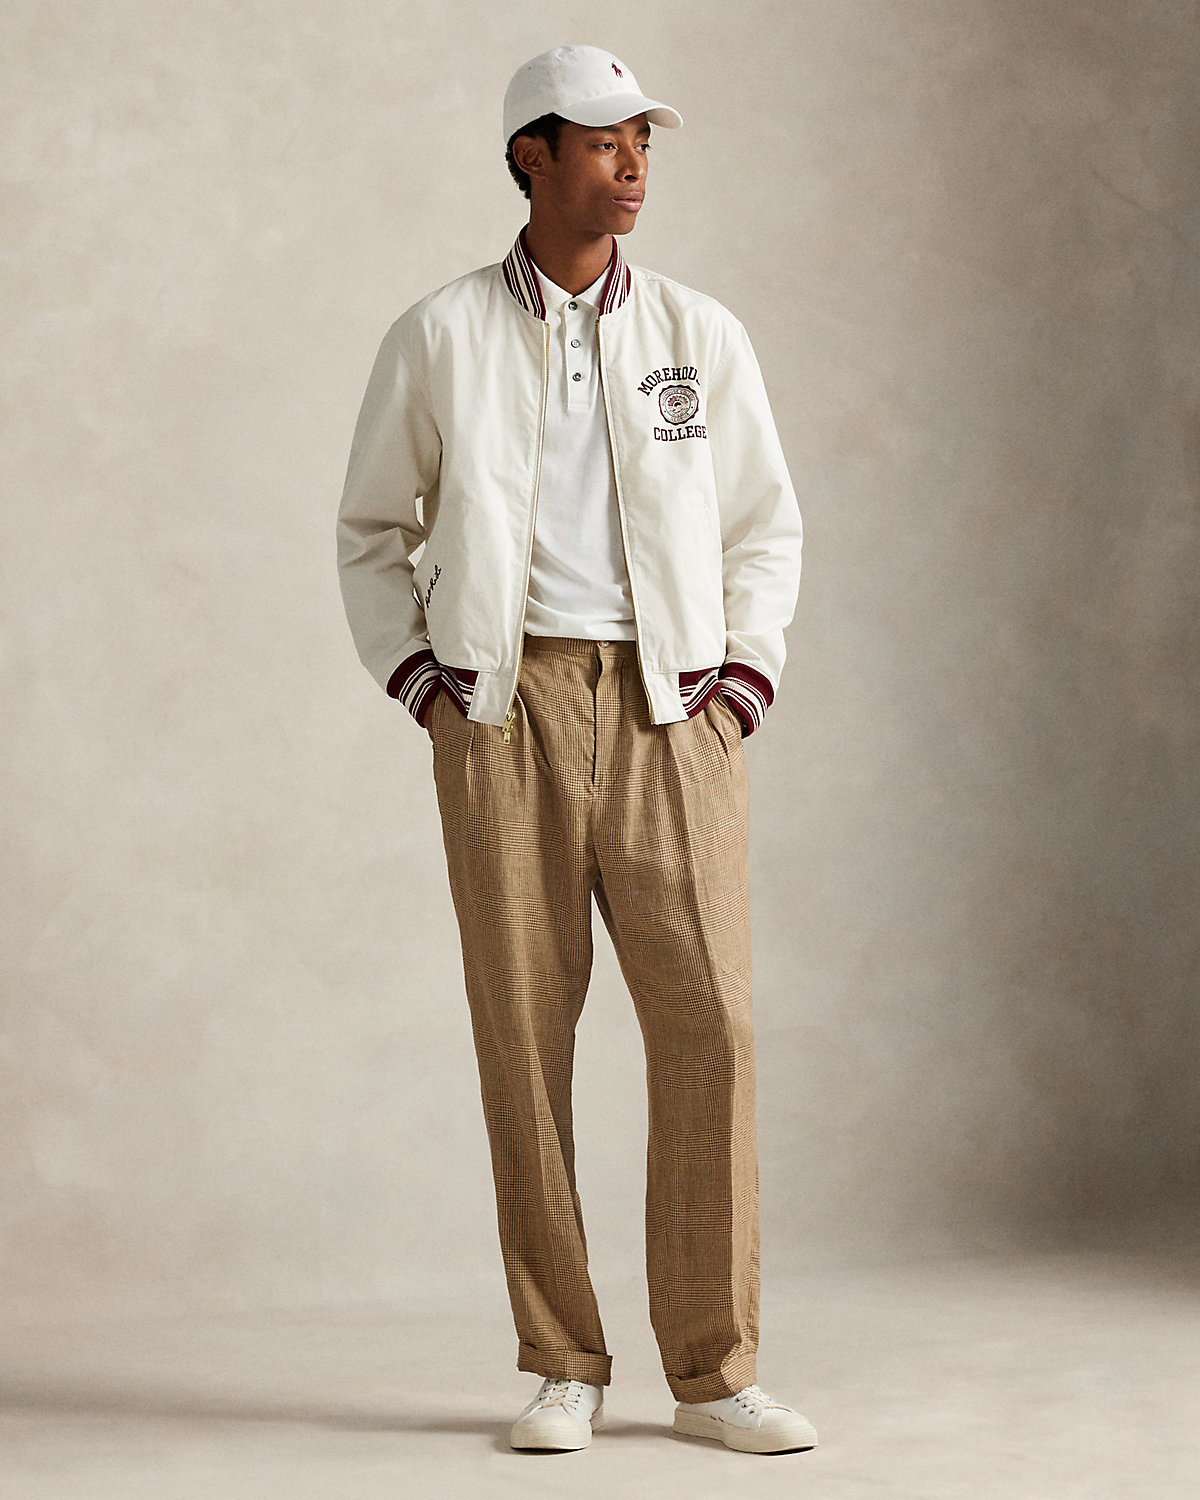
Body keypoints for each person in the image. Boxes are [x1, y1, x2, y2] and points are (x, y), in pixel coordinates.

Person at [336, 43, 815, 1457]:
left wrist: (740, 680)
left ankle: (713, 1372)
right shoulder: (438, 335)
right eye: (606, 142)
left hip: (676, 712)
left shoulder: (696, 333)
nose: (634, 166)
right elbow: (370, 528)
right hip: (503, 714)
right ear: (531, 158)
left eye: (644, 142)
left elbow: (764, 523)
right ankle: (561, 1360)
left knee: (713, 1025)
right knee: (525, 1036)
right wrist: (425, 680)